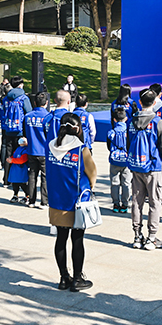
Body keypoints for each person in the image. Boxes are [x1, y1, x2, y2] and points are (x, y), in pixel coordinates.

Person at [47, 112, 97, 292]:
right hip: (76, 202)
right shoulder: (81, 149)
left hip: (56, 201)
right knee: (77, 239)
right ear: (77, 129)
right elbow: (92, 174)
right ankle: (77, 278)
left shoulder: (51, 146)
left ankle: (63, 278)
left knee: (61, 239)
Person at [127, 88, 162, 250]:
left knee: (136, 202)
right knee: (154, 203)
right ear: (155, 102)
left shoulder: (131, 121)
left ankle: (137, 236)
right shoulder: (158, 122)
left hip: (136, 166)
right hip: (154, 168)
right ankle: (151, 238)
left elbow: (129, 144)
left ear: (140, 102)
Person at [0, 76, 33, 187]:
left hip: (8, 130)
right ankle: (19, 181)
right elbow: (29, 113)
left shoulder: (6, 98)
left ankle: (6, 180)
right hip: (20, 131)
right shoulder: (23, 98)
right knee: (19, 155)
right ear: (20, 85)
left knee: (9, 155)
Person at [23, 92, 50, 208]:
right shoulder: (48, 117)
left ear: (34, 103)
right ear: (46, 103)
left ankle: (31, 200)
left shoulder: (28, 116)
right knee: (45, 177)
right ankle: (44, 202)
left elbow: (24, 133)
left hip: (31, 149)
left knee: (32, 175)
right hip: (44, 151)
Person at [107, 108, 131, 213]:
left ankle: (116, 204)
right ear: (126, 118)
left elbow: (108, 146)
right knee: (126, 183)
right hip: (126, 161)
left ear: (114, 119)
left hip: (114, 160)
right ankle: (125, 204)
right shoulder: (129, 132)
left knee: (114, 182)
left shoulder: (111, 132)